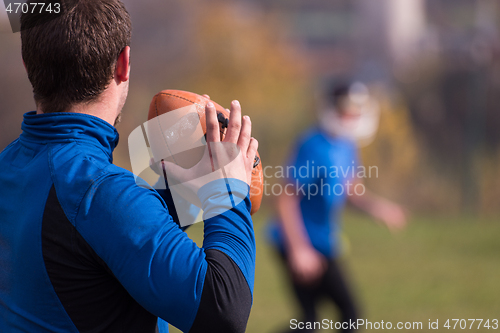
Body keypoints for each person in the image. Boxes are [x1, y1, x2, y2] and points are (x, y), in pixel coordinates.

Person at [0, 1, 259, 332]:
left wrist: (181, 194)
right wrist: (227, 192)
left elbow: (84, 251)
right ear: (123, 63)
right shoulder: (98, 192)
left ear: (27, 65)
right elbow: (224, 310)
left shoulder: (10, 166)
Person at [267, 83, 407, 333]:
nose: (353, 114)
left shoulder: (347, 144)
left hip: (324, 241)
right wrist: (299, 250)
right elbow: (285, 198)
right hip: (300, 242)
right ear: (331, 108)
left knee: (324, 319)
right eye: (347, 108)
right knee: (326, 319)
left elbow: (351, 189)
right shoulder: (313, 145)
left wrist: (378, 208)